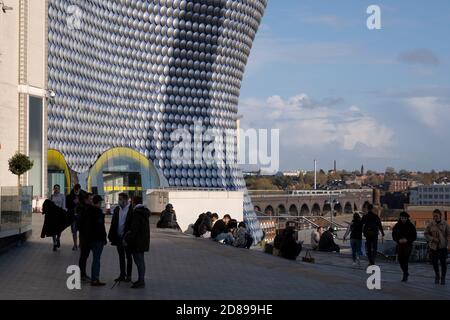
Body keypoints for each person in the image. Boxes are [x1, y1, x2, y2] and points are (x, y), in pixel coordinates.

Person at [124, 196, 150, 289]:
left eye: (131, 202)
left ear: (134, 202)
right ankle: (141, 279)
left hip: (137, 242)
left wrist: (127, 239)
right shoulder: (144, 212)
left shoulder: (136, 213)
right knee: (141, 261)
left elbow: (134, 230)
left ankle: (141, 280)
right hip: (143, 241)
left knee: (138, 261)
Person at [108, 193, 133, 283]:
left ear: (126, 200)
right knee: (121, 257)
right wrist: (111, 235)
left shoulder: (131, 210)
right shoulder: (117, 210)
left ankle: (129, 276)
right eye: (119, 199)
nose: (120, 201)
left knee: (128, 256)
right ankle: (122, 274)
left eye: (121, 199)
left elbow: (132, 226)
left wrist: (127, 237)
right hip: (118, 237)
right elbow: (113, 223)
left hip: (127, 238)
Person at [424, 209, 450, 285]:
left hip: (443, 246)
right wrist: (432, 239)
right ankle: (437, 275)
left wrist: (449, 244)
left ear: (440, 216)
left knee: (443, 263)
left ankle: (443, 277)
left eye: (436, 216)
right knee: (434, 262)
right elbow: (426, 233)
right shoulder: (430, 224)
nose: (435, 217)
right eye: (433, 216)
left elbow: (449, 235)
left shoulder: (445, 224)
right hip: (433, 246)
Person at [86, 195, 107, 286]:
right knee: (96, 260)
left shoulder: (88, 211)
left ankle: (94, 278)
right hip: (97, 239)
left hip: (89, 239)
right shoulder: (98, 212)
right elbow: (100, 227)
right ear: (98, 203)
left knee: (95, 259)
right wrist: (104, 238)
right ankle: (95, 279)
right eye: (101, 202)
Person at [392, 211, 417, 282]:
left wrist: (407, 240)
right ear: (400, 218)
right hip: (400, 245)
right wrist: (398, 240)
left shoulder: (411, 226)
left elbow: (414, 236)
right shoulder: (397, 225)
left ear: (407, 218)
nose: (403, 219)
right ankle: (405, 272)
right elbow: (393, 235)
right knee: (400, 260)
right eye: (402, 218)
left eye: (405, 218)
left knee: (405, 259)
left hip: (408, 245)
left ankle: (405, 274)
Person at [77, 193, 94, 282]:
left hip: (87, 236)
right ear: (86, 200)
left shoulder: (87, 208)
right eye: (90, 199)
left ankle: (83, 274)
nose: (92, 201)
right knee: (83, 256)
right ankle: (82, 275)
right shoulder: (83, 209)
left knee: (84, 256)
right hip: (84, 237)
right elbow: (80, 224)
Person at [66, 184, 86, 251]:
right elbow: (67, 206)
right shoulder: (69, 196)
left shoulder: (83, 195)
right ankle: (75, 245)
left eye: (78, 190)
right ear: (74, 189)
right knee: (74, 231)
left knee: (81, 231)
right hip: (73, 216)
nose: (77, 191)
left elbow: (85, 205)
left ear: (80, 189)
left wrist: (79, 202)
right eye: (76, 190)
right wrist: (73, 202)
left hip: (81, 216)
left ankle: (80, 244)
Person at [50, 184, 66, 251]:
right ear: (53, 189)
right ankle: (54, 243)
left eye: (58, 188)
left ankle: (58, 238)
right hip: (53, 215)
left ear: (59, 189)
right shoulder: (51, 196)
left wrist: (63, 213)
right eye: (55, 188)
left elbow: (63, 205)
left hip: (60, 215)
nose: (56, 189)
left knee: (59, 230)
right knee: (53, 230)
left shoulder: (62, 196)